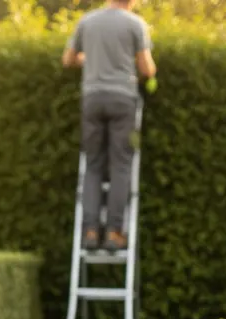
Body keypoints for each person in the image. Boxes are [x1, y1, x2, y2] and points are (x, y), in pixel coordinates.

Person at [62, 0, 157, 253]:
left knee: (92, 165)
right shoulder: (136, 24)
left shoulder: (87, 21)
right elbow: (147, 68)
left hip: (92, 98)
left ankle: (91, 231)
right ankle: (115, 233)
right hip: (123, 99)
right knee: (120, 166)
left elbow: (68, 59)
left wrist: (90, 61)